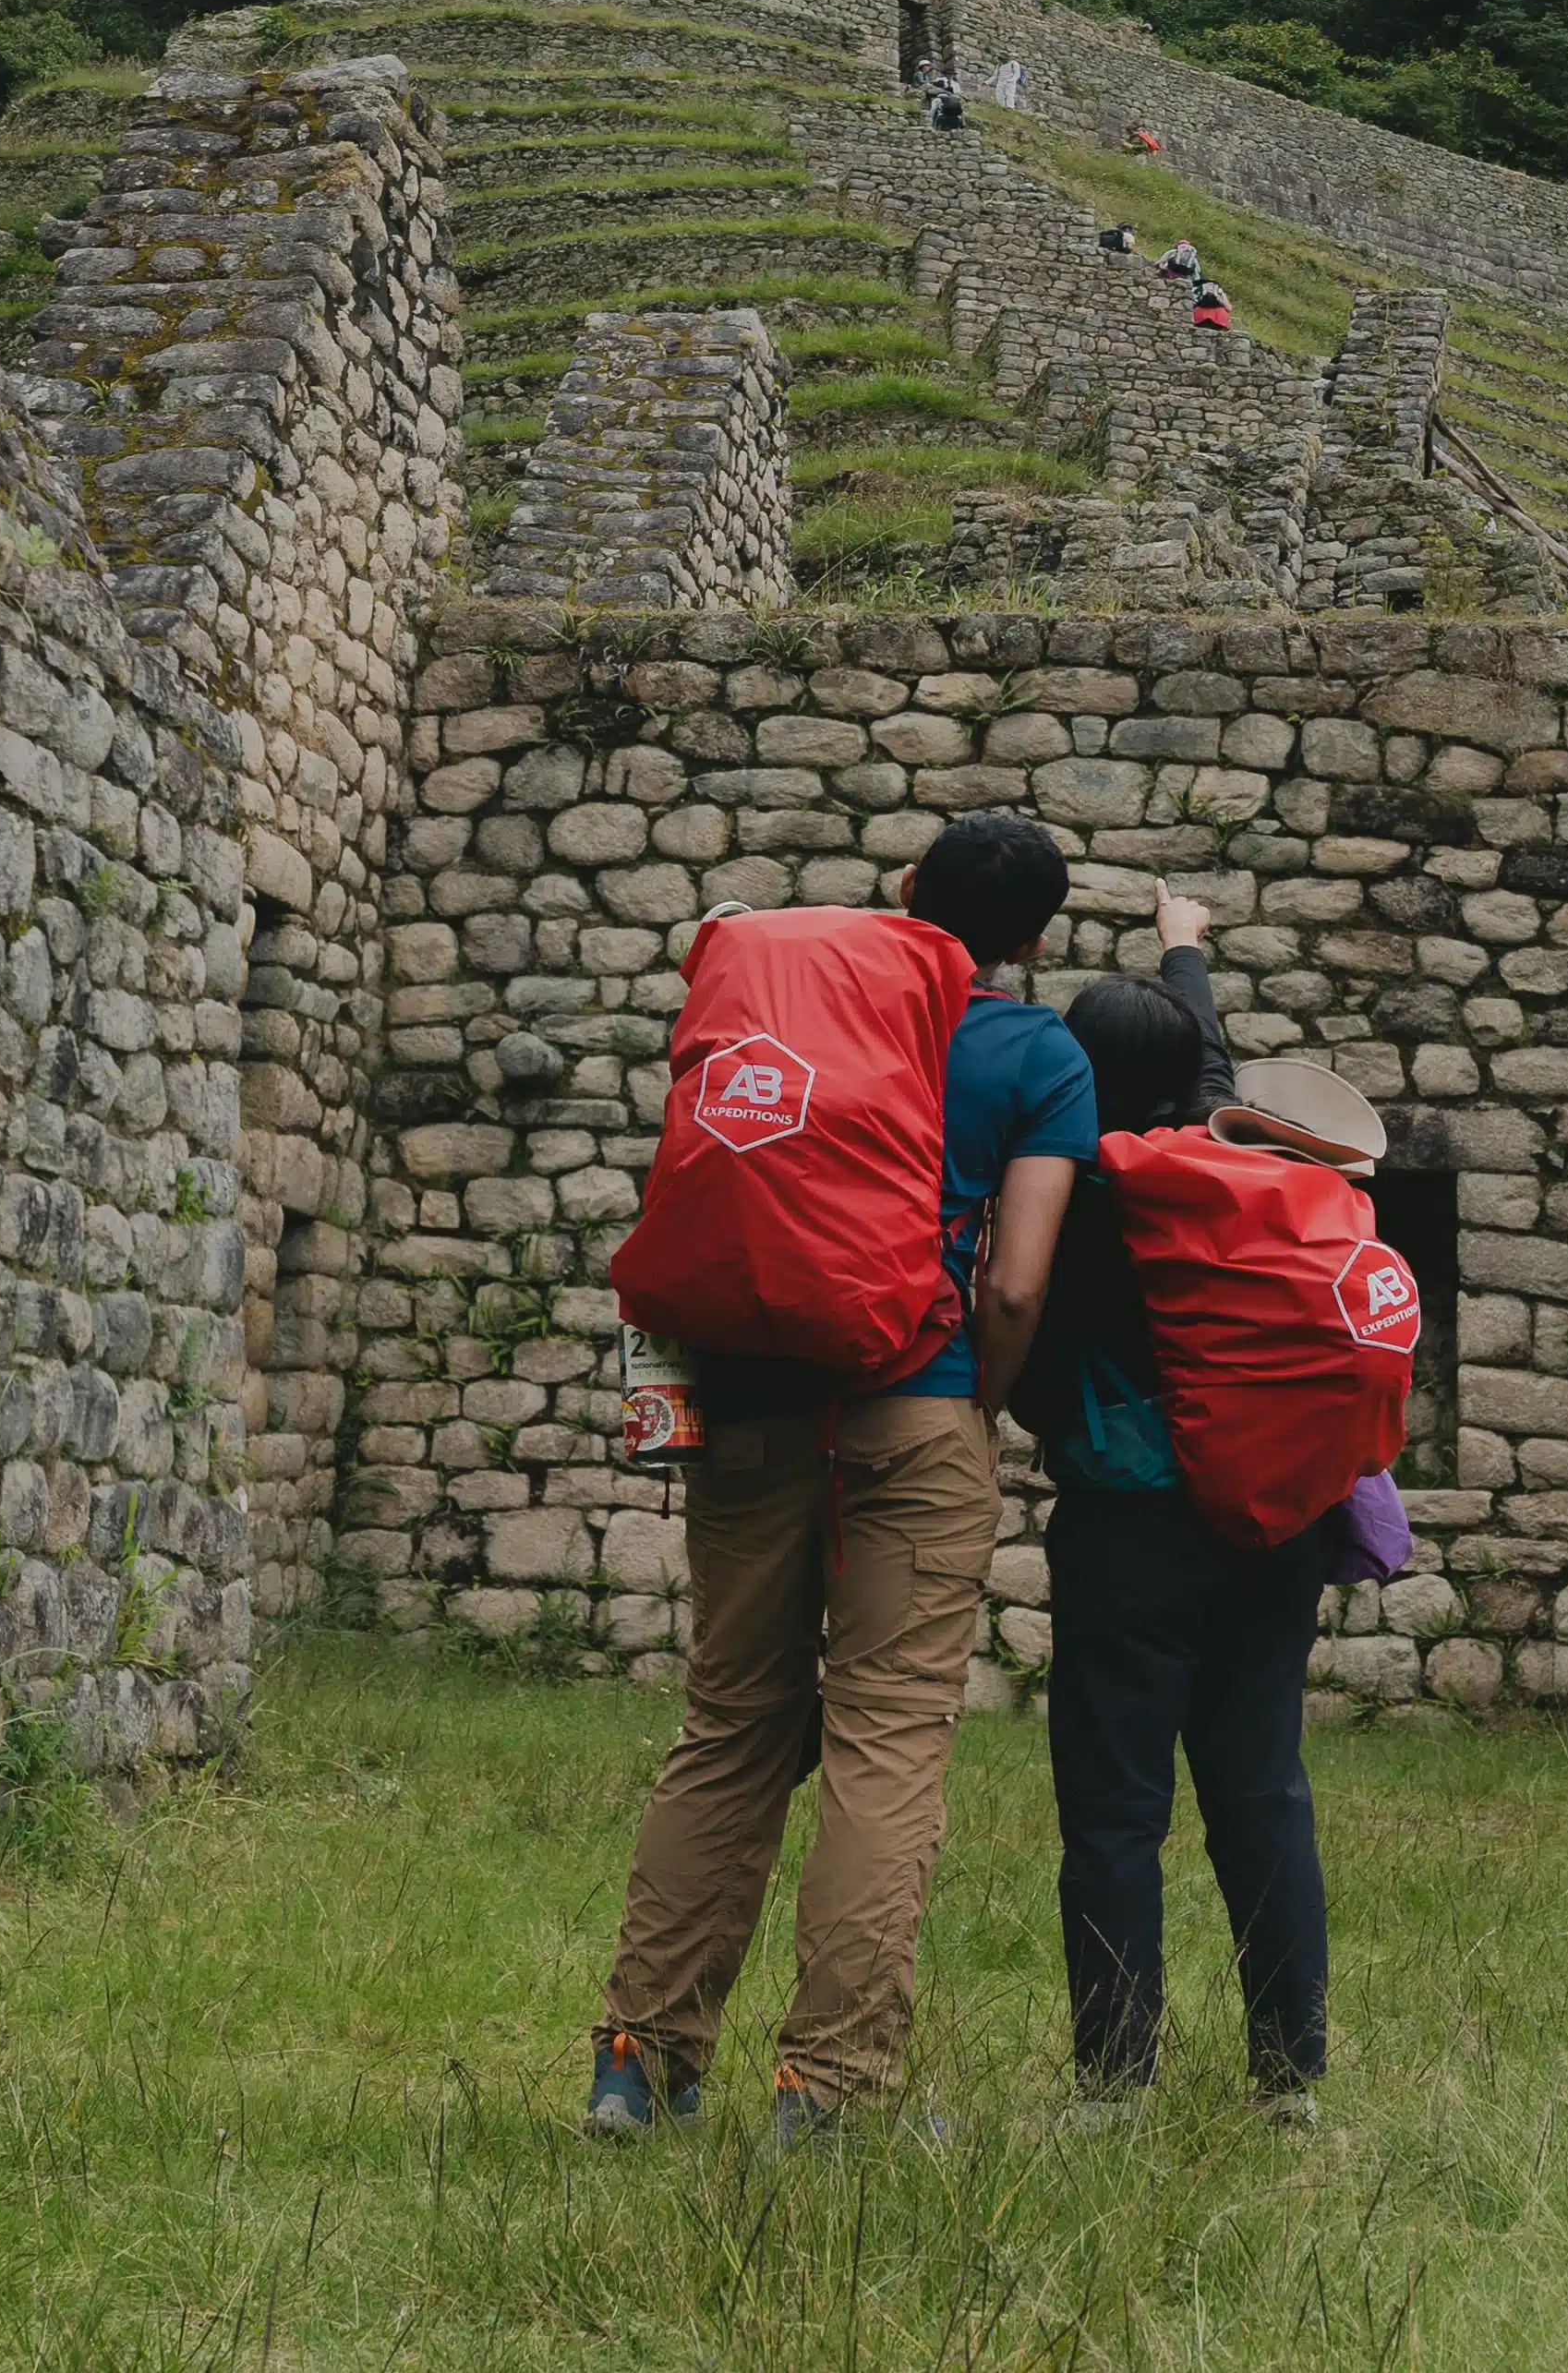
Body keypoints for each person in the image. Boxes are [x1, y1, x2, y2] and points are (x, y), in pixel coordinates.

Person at [585, 813, 1094, 2146]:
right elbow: (1019, 1284)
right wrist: (972, 1405)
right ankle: (827, 2089)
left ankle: (639, 2063)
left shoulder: (784, 1006)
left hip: (753, 1405)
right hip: (918, 1407)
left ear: (907, 889)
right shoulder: (1036, 1052)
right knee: (886, 1742)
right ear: (1035, 942)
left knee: (731, 1725)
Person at [1015, 970, 1368, 2130]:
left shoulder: (1080, 1196)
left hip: (1130, 1532)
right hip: (1276, 1521)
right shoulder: (1251, 1169)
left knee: (1116, 1809)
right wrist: (1186, 960)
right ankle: (1288, 2079)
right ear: (1191, 1083)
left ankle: (1115, 2082)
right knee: (1262, 1790)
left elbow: (1041, 1369)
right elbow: (1206, 1069)